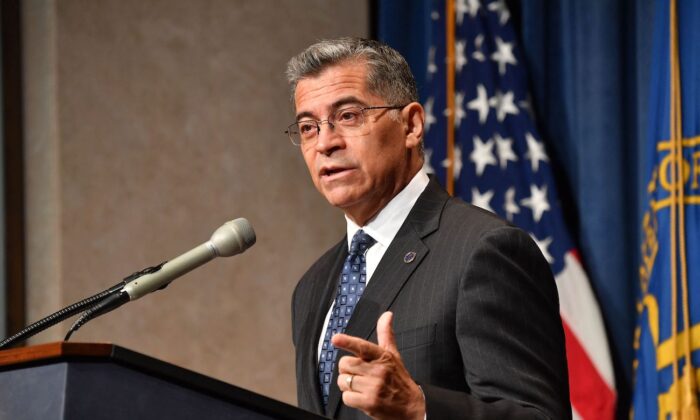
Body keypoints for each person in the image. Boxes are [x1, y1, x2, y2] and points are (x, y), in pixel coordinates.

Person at [285, 37, 570, 420]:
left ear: (411, 125)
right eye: (307, 127)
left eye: (348, 116)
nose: (325, 143)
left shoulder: (484, 251)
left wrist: (420, 407)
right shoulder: (313, 286)